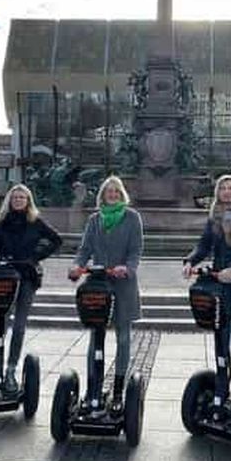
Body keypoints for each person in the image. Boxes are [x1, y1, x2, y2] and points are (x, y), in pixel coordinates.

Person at [0, 184, 62, 394]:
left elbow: (56, 240)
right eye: (16, 198)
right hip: (3, 277)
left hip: (26, 277)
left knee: (19, 327)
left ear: (28, 201)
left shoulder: (35, 222)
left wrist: (35, 257)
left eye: (23, 198)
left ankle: (11, 370)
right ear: (10, 201)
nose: (19, 200)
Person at [184, 174, 231, 401]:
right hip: (221, 285)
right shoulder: (215, 218)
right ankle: (222, 386)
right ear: (218, 193)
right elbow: (203, 245)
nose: (227, 192)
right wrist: (190, 261)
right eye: (223, 188)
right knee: (221, 336)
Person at [69, 175, 143, 412]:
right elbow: (84, 250)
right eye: (108, 192)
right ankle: (93, 387)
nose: (112, 195)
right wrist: (76, 267)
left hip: (123, 285)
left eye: (116, 191)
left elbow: (135, 251)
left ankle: (119, 390)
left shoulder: (132, 218)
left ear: (122, 195)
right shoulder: (94, 219)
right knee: (95, 339)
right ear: (102, 195)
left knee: (123, 338)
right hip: (98, 285)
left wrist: (127, 268)